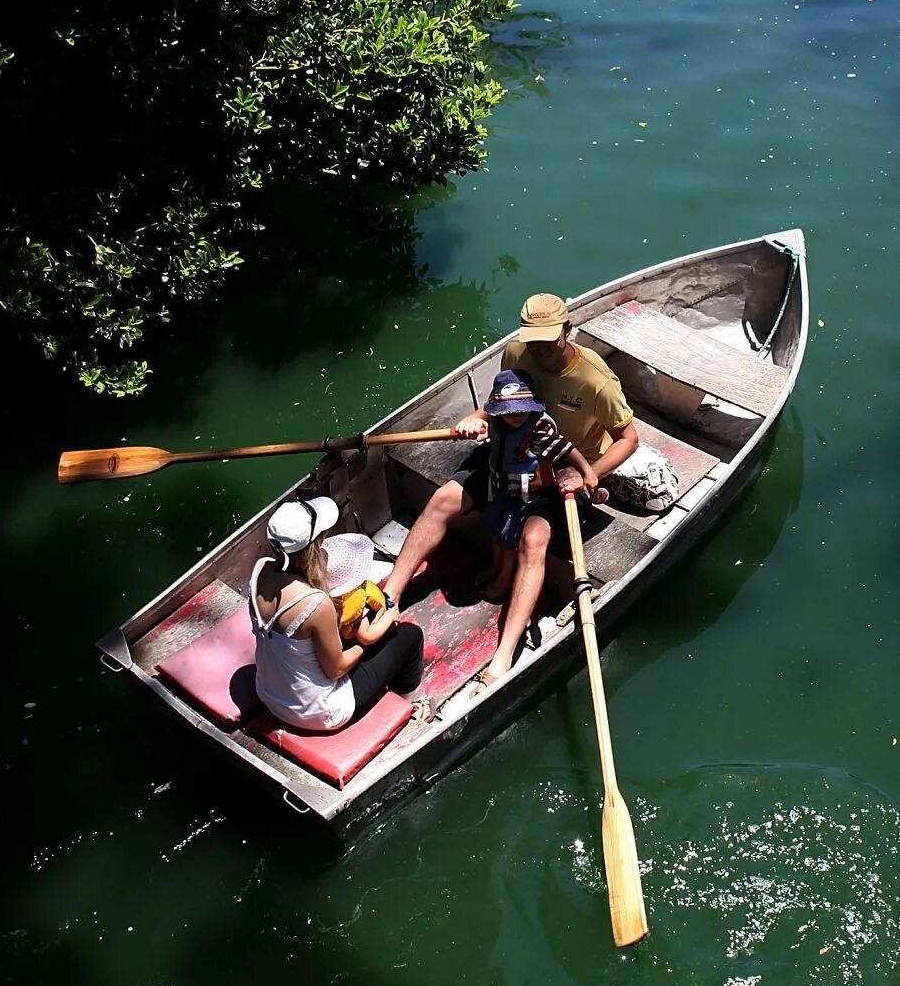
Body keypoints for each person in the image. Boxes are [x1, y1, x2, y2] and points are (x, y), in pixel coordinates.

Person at [382, 293, 642, 676]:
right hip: (506, 454)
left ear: (568, 331)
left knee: (534, 541)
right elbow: (497, 402)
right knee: (442, 500)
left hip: (557, 471)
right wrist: (477, 416)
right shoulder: (518, 352)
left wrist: (588, 473)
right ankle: (390, 597)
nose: (538, 350)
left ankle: (503, 656)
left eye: (548, 340)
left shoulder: (595, 380)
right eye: (533, 339)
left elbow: (628, 438)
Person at [249, 495, 422, 731]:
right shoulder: (316, 603)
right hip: (318, 712)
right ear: (314, 545)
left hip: (268, 692)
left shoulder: (260, 570)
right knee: (410, 637)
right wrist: (367, 642)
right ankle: (407, 707)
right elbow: (336, 669)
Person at [474, 369, 603, 681]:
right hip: (504, 491)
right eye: (509, 413)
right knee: (497, 530)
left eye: (521, 412)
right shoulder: (497, 424)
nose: (515, 418)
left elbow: (566, 449)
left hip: (535, 496)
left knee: (518, 538)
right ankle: (500, 574)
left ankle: (505, 641)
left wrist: (587, 472)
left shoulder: (539, 430)